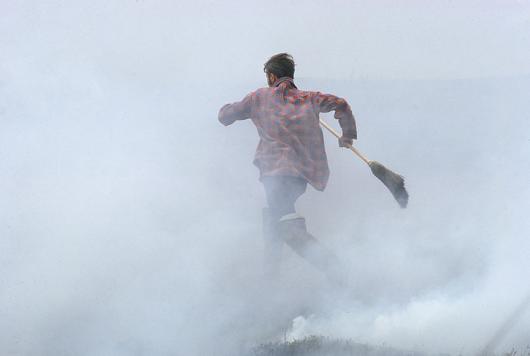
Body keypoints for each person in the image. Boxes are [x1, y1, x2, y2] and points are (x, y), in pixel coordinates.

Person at [218, 53, 357, 280]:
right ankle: (271, 280)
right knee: (274, 218)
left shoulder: (258, 98)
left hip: (275, 174)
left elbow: (225, 116)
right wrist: (347, 135)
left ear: (271, 76)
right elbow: (340, 104)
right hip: (300, 176)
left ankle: (334, 269)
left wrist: (227, 109)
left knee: (285, 225)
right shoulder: (308, 98)